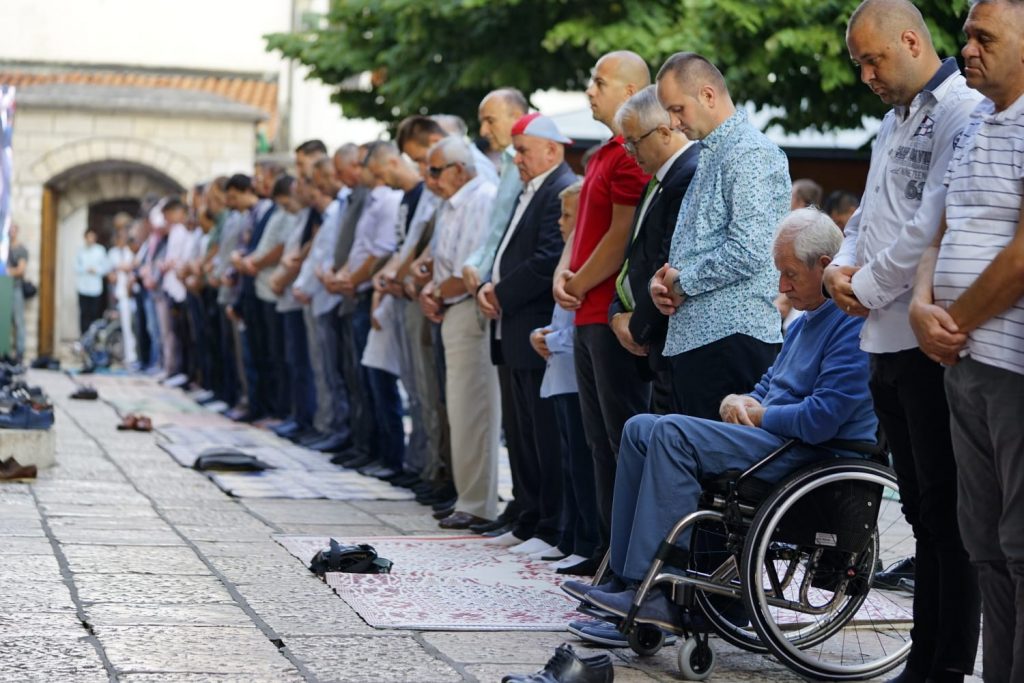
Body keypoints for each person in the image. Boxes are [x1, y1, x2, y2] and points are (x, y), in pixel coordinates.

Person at [565, 208, 876, 627]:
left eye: (790, 275)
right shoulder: (807, 321)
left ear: (824, 265)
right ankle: (622, 577)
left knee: (673, 432)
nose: (782, 286)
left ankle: (652, 590)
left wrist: (760, 413)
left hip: (811, 451)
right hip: (781, 437)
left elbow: (822, 419)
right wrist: (742, 399)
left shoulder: (847, 325)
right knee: (640, 428)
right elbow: (771, 382)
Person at [824, 3, 984, 681]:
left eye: (873, 59)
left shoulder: (960, 107)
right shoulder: (895, 118)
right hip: (883, 339)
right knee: (919, 512)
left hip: (927, 335)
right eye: (858, 62)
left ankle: (943, 663)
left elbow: (932, 220)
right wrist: (840, 263)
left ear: (912, 40)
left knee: (949, 516)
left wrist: (867, 281)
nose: (865, 74)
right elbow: (870, 210)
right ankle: (924, 654)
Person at [910, 1, 1024, 680]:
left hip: (1008, 360)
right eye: (966, 37)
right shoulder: (979, 119)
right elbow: (943, 228)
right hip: (963, 358)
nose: (968, 50)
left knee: (1019, 541)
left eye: (985, 37)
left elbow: (1019, 255)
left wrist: (953, 321)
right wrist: (924, 306)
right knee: (983, 540)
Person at [552, 51, 652, 568]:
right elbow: (583, 234)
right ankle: (602, 545)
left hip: (609, 311)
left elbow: (621, 237)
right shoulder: (601, 155)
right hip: (585, 308)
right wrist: (565, 276)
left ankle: (624, 553)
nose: (590, 90)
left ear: (633, 89)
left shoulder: (629, 155)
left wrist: (580, 279)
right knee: (597, 440)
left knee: (620, 438)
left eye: (600, 81)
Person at [650, 52, 789, 419]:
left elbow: (751, 249)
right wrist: (663, 282)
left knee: (728, 471)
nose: (674, 123)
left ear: (708, 95)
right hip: (699, 339)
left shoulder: (750, 152)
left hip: (731, 339)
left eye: (678, 109)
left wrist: (683, 282)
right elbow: (697, 244)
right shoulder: (713, 151)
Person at [475, 113, 577, 558]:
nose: (516, 158)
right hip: (511, 324)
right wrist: (488, 285)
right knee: (519, 431)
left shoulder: (560, 189)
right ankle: (527, 513)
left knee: (543, 434)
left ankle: (549, 522)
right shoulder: (531, 186)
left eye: (523, 150)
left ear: (552, 151)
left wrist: (500, 290)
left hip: (534, 321)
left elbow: (547, 258)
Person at [460, 88, 532, 538]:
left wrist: (494, 282)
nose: (484, 131)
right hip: (497, 296)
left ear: (518, 115)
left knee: (533, 422)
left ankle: (537, 514)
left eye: (491, 120)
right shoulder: (508, 164)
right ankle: (522, 507)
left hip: (523, 304)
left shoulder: (533, 167)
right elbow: (497, 233)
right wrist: (481, 271)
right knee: (517, 420)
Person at [419, 136, 499, 529]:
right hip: (450, 309)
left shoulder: (481, 198)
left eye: (435, 170)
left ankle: (478, 502)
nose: (429, 179)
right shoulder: (450, 204)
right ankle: (466, 495)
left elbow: (470, 270)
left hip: (468, 310)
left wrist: (436, 291)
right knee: (458, 407)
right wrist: (430, 289)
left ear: (458, 169)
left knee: (474, 410)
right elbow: (442, 262)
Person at [608, 85, 699, 415]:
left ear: (664, 131)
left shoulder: (689, 174)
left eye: (633, 141)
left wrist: (636, 326)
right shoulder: (659, 177)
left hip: (669, 339)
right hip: (653, 339)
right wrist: (616, 313)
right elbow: (633, 259)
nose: (628, 151)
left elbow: (667, 262)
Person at [528, 180, 602, 575]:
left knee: (583, 461)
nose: (561, 222)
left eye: (569, 214)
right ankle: (571, 536)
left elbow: (582, 321)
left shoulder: (589, 256)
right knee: (569, 459)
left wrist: (552, 338)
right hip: (560, 370)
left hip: (577, 372)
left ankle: (586, 540)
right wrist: (540, 334)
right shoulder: (569, 254)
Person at [106, 221, 137, 368]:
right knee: (123, 326)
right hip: (119, 292)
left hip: (130, 293)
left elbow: (131, 267)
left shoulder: (130, 252)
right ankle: (127, 355)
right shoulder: (113, 253)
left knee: (132, 326)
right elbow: (111, 273)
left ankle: (133, 356)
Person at [75, 228, 111, 336]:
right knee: (84, 314)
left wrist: (96, 270)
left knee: (94, 314)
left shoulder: (100, 250)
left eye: (92, 237)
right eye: (88, 237)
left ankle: (93, 338)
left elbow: (105, 267)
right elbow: (76, 267)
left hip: (95, 288)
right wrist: (86, 269)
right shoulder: (80, 251)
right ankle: (83, 338)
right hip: (83, 287)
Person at [7, 223, 28, 361]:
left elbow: (20, 270)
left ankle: (20, 353)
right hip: (4, 288)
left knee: (18, 321)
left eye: (14, 230)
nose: (11, 233)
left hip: (15, 288)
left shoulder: (21, 249)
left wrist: (8, 272)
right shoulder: (4, 248)